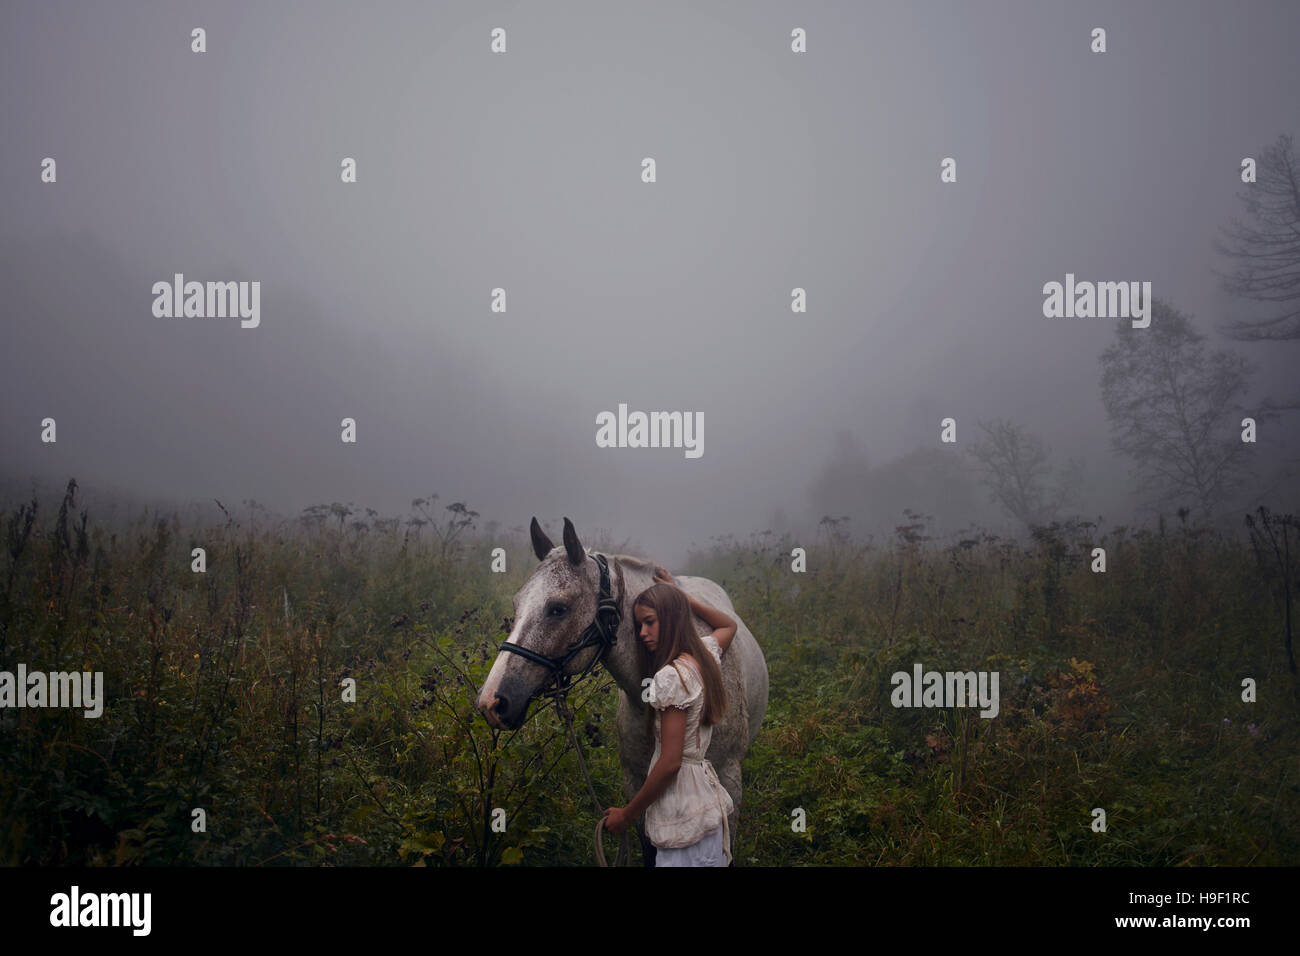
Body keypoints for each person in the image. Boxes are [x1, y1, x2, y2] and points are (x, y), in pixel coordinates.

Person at [602, 566, 736, 866]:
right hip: (704, 798)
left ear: (673, 620)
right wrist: (684, 599)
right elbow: (728, 626)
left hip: (681, 810)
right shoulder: (704, 656)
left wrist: (627, 814)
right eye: (639, 625)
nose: (643, 634)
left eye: (650, 622)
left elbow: (670, 763)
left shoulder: (671, 677)